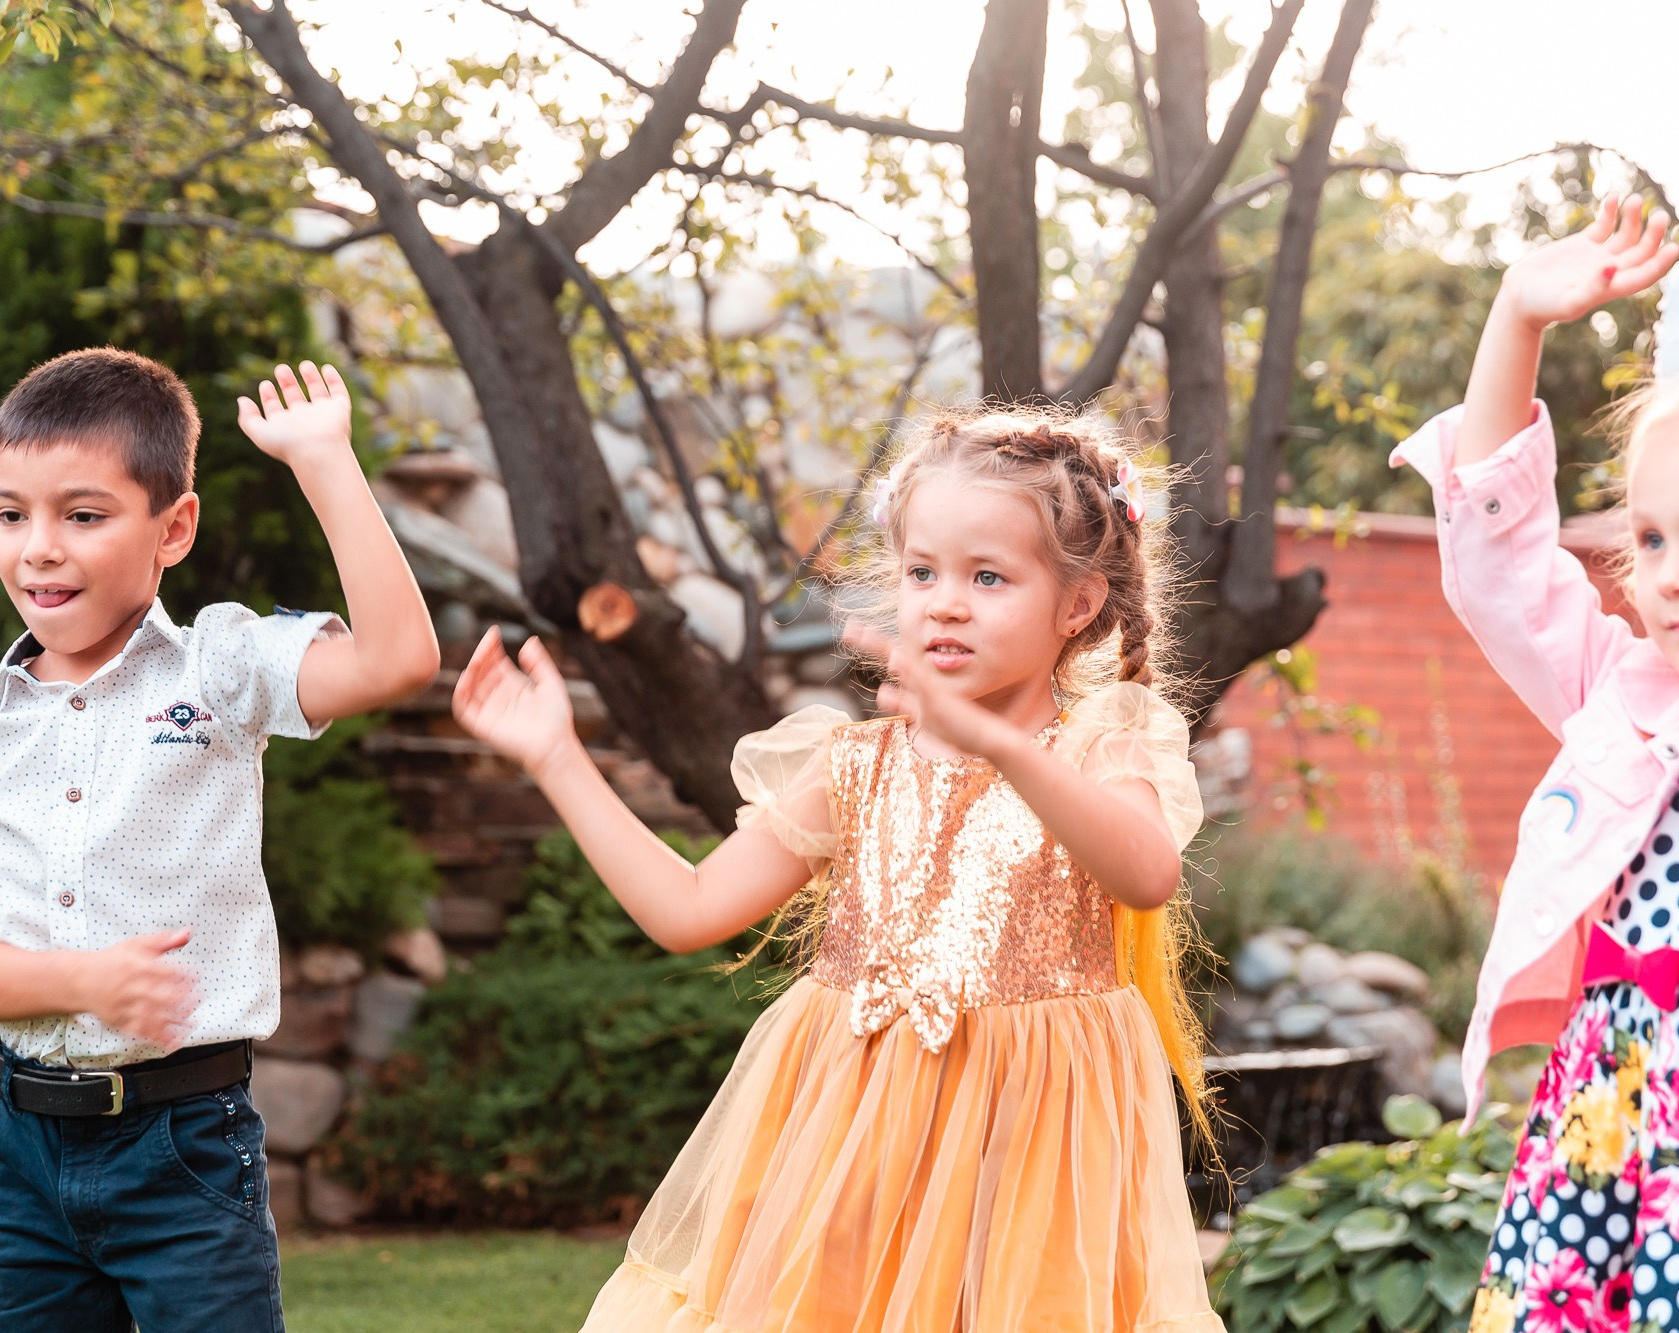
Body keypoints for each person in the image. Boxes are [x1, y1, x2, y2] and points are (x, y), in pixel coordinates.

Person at [452, 407, 1223, 1331]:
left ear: (1078, 605)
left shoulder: (1104, 744)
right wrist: (556, 757)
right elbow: (688, 907)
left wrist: (1000, 747)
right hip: (853, 1142)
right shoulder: (852, 766)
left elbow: (1145, 873)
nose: (944, 600)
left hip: (1030, 1156)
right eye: (921, 572)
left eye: (988, 576)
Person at [0, 350, 439, 1331]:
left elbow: (400, 657)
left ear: (173, 529)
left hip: (184, 1145)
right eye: (11, 513)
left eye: (84, 514)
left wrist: (322, 459)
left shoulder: (219, 669)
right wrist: (85, 984)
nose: (38, 548)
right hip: (17, 1153)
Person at [1390, 197, 1679, 1332]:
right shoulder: (1619, 698)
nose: (1666, 572)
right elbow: (1496, 563)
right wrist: (1515, 316)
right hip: (1601, 1143)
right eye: (1651, 536)